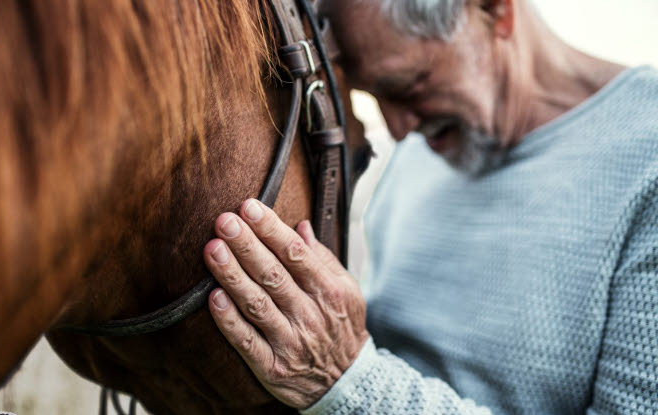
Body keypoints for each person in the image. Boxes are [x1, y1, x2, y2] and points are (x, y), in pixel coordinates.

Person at [202, 0, 658, 413]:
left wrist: (348, 384)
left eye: (408, 86)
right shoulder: (429, 147)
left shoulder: (646, 161)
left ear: (494, 11)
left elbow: (358, 374)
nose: (399, 131)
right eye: (373, 98)